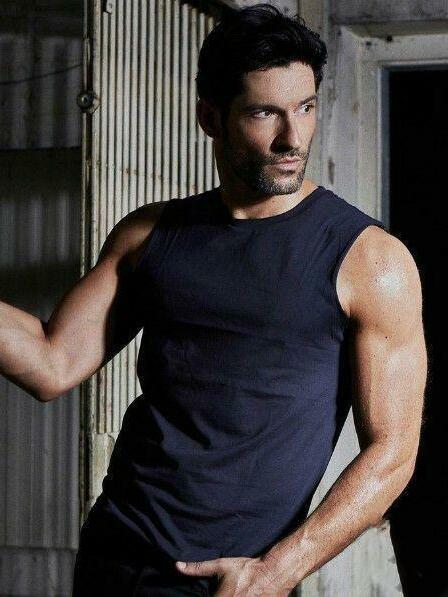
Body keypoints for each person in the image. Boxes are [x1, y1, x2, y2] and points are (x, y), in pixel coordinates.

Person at [0, 4, 427, 596]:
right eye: (264, 113)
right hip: (116, 556)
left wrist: (276, 571)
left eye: (305, 108)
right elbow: (51, 363)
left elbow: (393, 451)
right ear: (210, 118)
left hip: (237, 579)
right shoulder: (149, 235)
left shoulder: (369, 260)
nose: (292, 138)